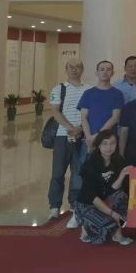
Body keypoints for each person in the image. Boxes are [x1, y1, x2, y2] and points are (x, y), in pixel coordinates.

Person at [47, 58, 91, 227]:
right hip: (62, 136)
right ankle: (54, 206)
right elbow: (55, 111)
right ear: (66, 69)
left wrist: (79, 129)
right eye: (71, 67)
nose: (74, 69)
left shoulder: (89, 89)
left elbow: (90, 112)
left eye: (78, 67)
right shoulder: (58, 89)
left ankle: (74, 204)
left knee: (78, 172)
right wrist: (70, 127)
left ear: (82, 69)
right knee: (58, 172)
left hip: (82, 136)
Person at [74, 130, 132, 246]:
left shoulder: (119, 161)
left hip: (105, 199)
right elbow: (92, 196)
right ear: (99, 145)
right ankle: (85, 226)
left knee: (122, 197)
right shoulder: (90, 164)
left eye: (112, 143)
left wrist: (121, 175)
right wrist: (112, 214)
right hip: (87, 204)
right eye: (104, 143)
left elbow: (113, 190)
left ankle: (118, 234)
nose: (108, 147)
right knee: (107, 228)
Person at [78, 60, 124, 153]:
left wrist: (97, 136)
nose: (105, 72)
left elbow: (115, 118)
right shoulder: (88, 93)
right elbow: (83, 117)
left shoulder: (117, 94)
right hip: (89, 139)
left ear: (113, 73)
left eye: (108, 70)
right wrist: (88, 137)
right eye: (102, 69)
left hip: (109, 141)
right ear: (97, 73)